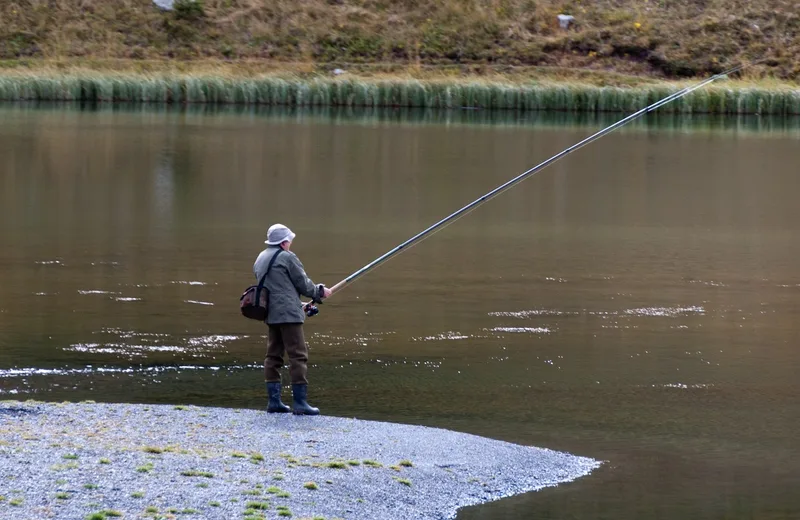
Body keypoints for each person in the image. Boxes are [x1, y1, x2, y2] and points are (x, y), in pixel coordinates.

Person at [253, 224, 332, 415]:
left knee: (273, 356)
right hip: (288, 315)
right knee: (298, 355)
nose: (290, 244)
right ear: (284, 242)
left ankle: (274, 402)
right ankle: (300, 403)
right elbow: (303, 284)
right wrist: (320, 292)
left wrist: (300, 303)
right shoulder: (287, 257)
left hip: (271, 313)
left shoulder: (261, 257)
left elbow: (279, 287)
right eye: (289, 241)